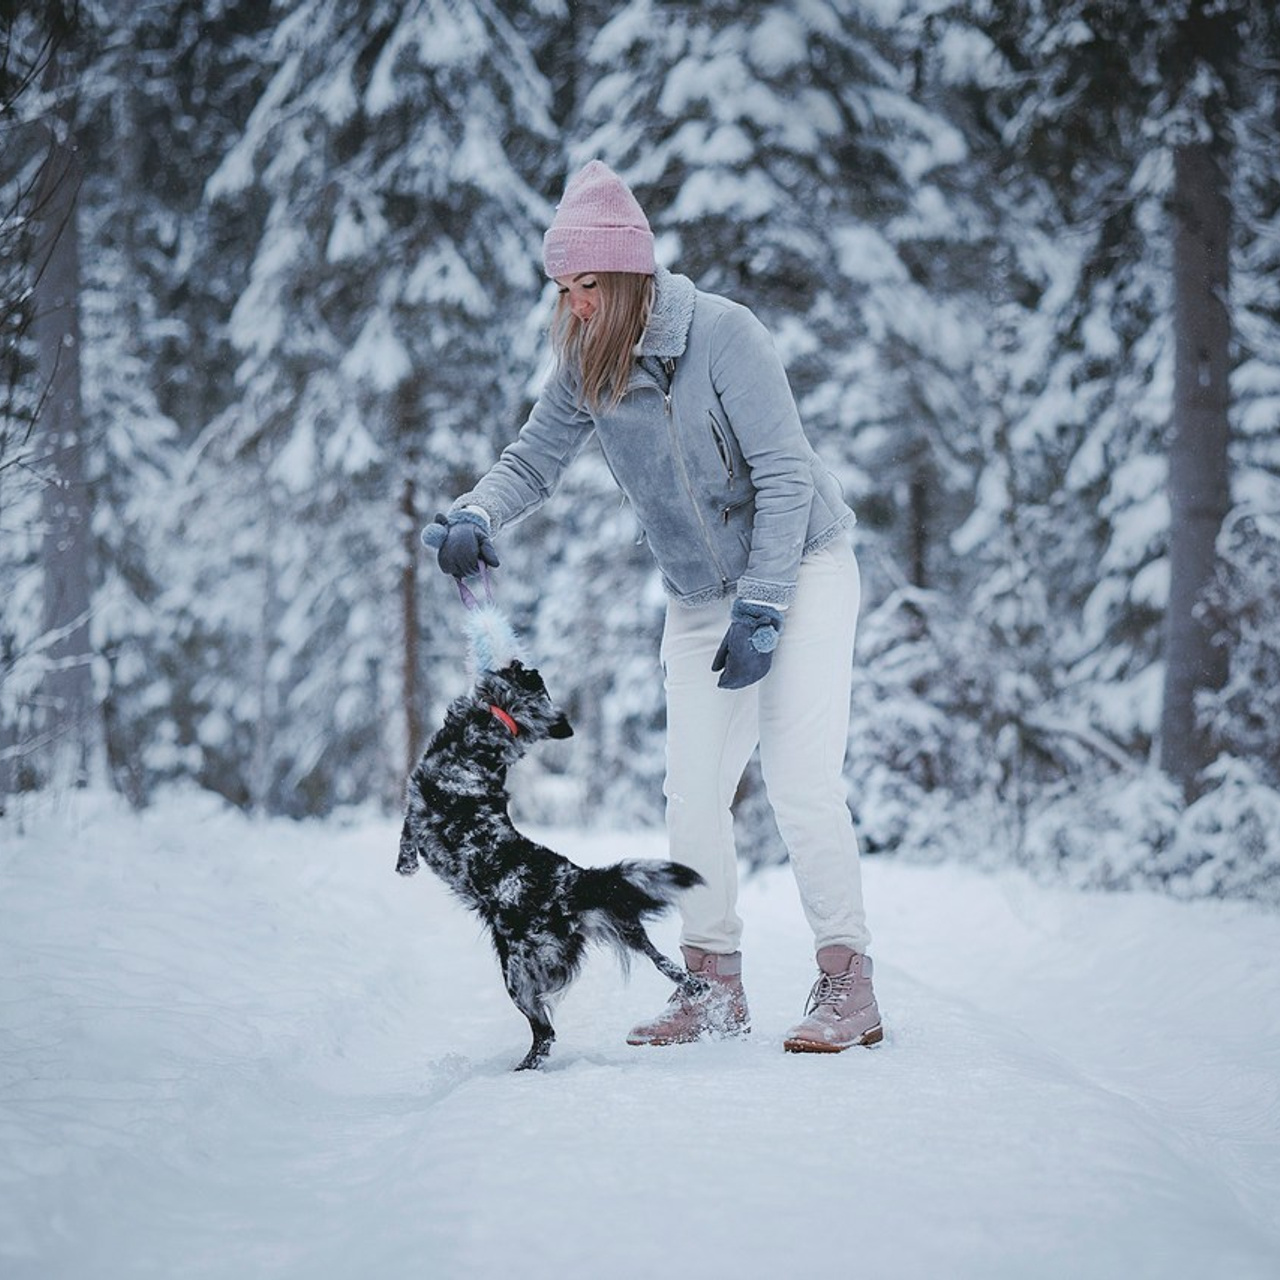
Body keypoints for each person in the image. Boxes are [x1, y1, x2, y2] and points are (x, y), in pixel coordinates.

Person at [425, 160, 882, 1054]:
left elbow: (785, 477)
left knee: (799, 780)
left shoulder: (724, 335)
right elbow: (533, 460)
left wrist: (765, 605)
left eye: (589, 286)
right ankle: (714, 987)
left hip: (803, 566)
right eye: (564, 290)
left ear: (631, 274)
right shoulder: (585, 362)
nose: (575, 305)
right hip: (700, 595)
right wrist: (474, 514)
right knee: (693, 791)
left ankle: (848, 981)